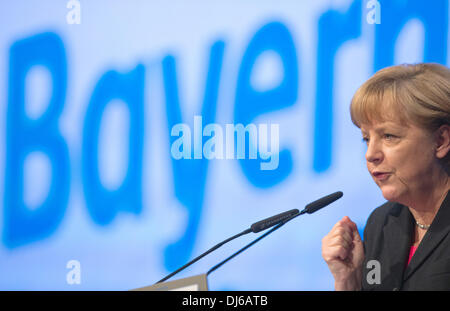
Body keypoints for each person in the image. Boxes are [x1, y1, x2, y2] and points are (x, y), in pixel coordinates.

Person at [321, 63, 450, 291]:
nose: (370, 154)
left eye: (389, 136)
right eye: (366, 139)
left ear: (441, 141)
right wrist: (348, 281)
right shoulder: (381, 223)